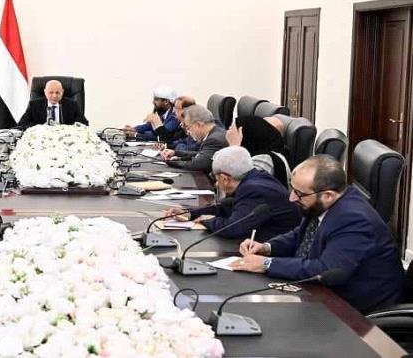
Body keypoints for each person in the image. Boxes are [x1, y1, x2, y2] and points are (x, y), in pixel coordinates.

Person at [233, 155, 405, 314]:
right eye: (293, 189)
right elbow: (301, 235)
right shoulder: (321, 204)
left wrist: (267, 264)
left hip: (355, 313)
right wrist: (267, 247)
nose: (291, 198)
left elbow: (327, 270)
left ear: (328, 195)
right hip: (322, 296)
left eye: (299, 193)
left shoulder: (354, 220)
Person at [164, 146, 300, 241]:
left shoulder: (253, 189)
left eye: (215, 177)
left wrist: (207, 220)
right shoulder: (256, 177)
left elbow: (233, 228)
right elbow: (226, 207)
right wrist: (189, 213)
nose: (216, 183)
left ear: (224, 178)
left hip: (280, 249)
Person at [226, 115, 291, 189]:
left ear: (246, 135)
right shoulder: (259, 153)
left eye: (234, 133)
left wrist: (234, 148)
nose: (227, 133)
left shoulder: (265, 159)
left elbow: (238, 186)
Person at [160, 105, 227, 173]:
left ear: (198, 124)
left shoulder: (214, 140)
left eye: (188, 127)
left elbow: (198, 164)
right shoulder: (215, 132)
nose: (188, 132)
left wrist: (170, 162)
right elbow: (201, 155)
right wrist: (176, 153)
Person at [17, 79, 88, 128]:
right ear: (45, 92)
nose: (54, 96)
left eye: (57, 93)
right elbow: (22, 124)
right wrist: (40, 127)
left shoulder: (72, 105)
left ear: (62, 92)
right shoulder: (34, 105)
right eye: (51, 92)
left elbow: (84, 124)